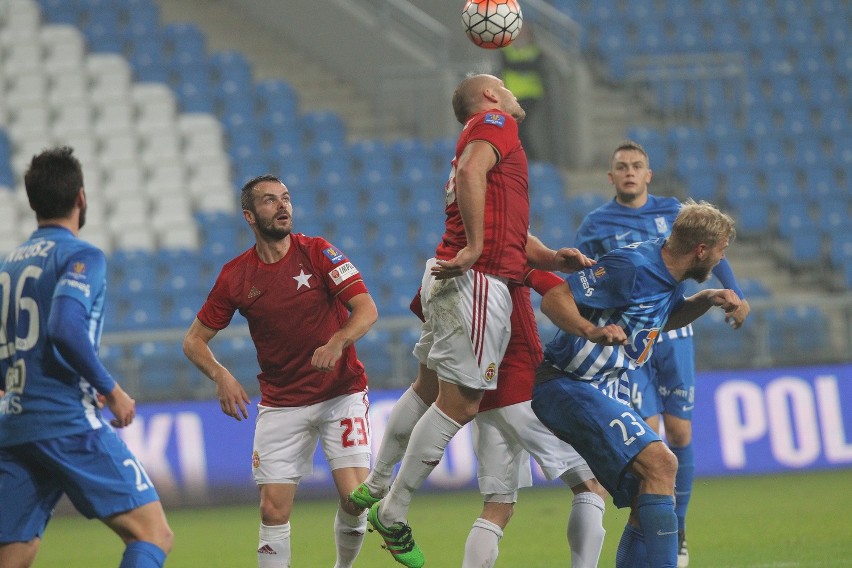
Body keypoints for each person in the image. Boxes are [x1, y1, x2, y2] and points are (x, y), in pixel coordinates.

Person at [363, 74, 589, 568]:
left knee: (426, 388)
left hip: (456, 276)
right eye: (503, 86)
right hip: (479, 280)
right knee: (458, 404)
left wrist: (549, 258)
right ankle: (393, 509)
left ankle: (378, 484)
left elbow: (504, 220)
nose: (511, 93)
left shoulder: (480, 137)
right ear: (488, 97)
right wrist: (476, 249)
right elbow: (471, 174)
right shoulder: (495, 122)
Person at [353, 265, 626, 567]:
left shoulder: (451, 265)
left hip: (482, 397)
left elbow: (420, 305)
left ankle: (380, 480)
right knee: (590, 486)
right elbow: (556, 290)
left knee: (498, 507)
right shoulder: (508, 255)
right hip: (525, 393)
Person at [531, 199, 742, 567]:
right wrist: (591, 330)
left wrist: (705, 300)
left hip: (605, 387)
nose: (721, 260)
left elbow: (663, 321)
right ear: (701, 250)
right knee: (662, 465)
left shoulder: (668, 273)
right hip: (569, 382)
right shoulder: (631, 266)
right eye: (721, 252)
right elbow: (554, 299)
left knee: (649, 494)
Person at [182, 174, 379, 568]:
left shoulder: (319, 252)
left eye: (286, 198)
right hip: (282, 403)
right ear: (250, 216)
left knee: (353, 499)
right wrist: (221, 375)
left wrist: (338, 341)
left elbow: (367, 309)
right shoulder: (236, 276)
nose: (283, 206)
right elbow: (193, 341)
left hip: (341, 394)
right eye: (270, 201)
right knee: (272, 512)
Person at [574, 140, 751, 566]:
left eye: (637, 165)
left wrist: (735, 295)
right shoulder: (596, 224)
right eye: (622, 166)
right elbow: (585, 274)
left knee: (682, 433)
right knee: (650, 437)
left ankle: (679, 525)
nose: (630, 172)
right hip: (632, 343)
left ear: (648, 174)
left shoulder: (675, 211)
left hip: (673, 335)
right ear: (611, 176)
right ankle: (654, 519)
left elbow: (712, 254)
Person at [0, 146, 174, 568]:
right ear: (81, 197)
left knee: (13, 557)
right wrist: (109, 389)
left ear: (32, 201)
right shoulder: (82, 256)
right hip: (65, 423)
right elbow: (64, 328)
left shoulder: (8, 266)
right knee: (153, 533)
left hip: (14, 426)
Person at [500, 24, 548, 162]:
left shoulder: (535, 51)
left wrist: (520, 65)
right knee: (515, 128)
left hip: (531, 94)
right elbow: (509, 65)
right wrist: (525, 65)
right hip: (513, 97)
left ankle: (531, 158)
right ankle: (524, 157)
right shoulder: (507, 51)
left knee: (520, 127)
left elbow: (535, 67)